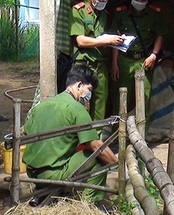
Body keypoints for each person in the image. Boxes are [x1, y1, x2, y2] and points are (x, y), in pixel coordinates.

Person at [22, 65, 118, 202]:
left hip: (32, 173)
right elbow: (98, 148)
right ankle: (90, 205)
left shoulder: (43, 105)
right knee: (99, 158)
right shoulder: (78, 109)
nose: (89, 96)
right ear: (79, 85)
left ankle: (43, 191)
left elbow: (25, 130)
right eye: (89, 89)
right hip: (52, 175)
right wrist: (117, 165)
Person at [109, 0, 168, 122]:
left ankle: (142, 135)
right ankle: (119, 133)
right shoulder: (121, 14)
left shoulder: (154, 14)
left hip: (144, 61)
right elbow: (114, 41)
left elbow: (161, 34)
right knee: (120, 97)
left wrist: (154, 55)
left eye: (143, 0)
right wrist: (114, 63)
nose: (140, 3)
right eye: (137, 0)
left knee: (144, 97)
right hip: (124, 60)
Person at [69, 0, 123, 122]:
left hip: (101, 67)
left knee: (100, 107)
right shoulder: (78, 11)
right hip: (83, 66)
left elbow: (102, 40)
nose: (102, 3)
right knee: (80, 105)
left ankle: (95, 141)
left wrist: (115, 41)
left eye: (105, 0)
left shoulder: (104, 15)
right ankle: (81, 142)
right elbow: (80, 40)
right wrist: (106, 40)